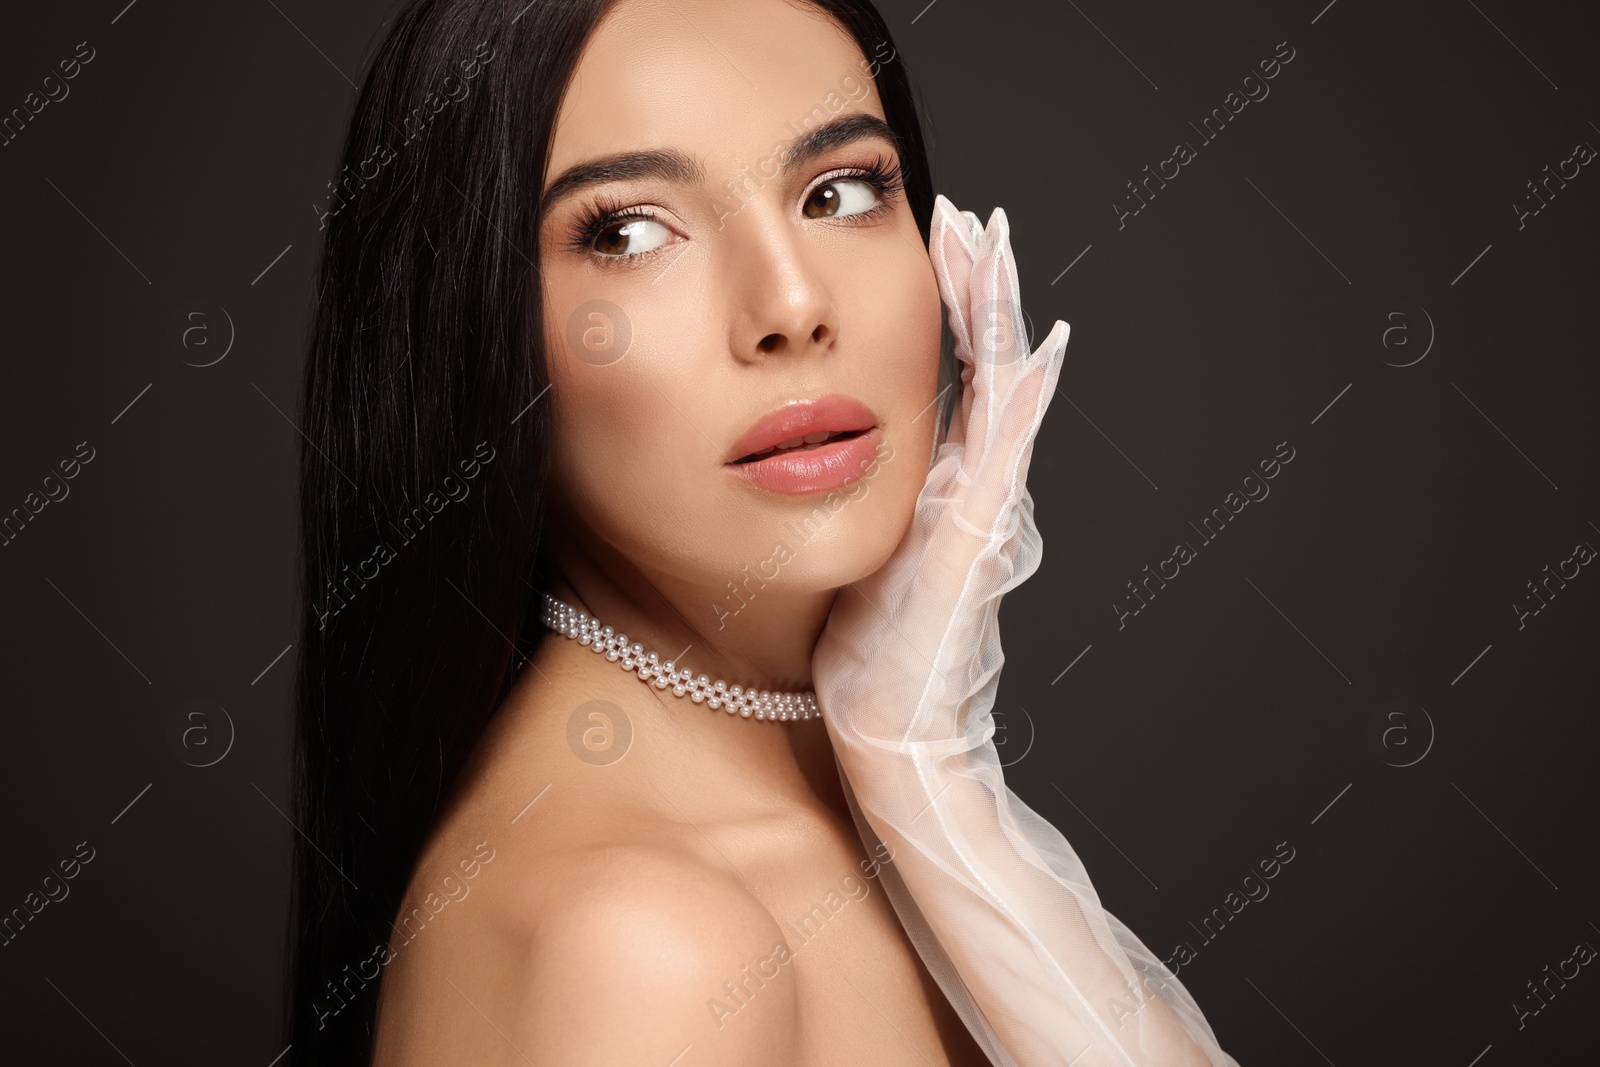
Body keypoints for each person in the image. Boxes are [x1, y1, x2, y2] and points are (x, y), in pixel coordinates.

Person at [287, 1, 1239, 1065]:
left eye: (839, 192)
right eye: (630, 231)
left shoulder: (856, 812)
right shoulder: (643, 948)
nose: (791, 302)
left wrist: (928, 771)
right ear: (465, 330)